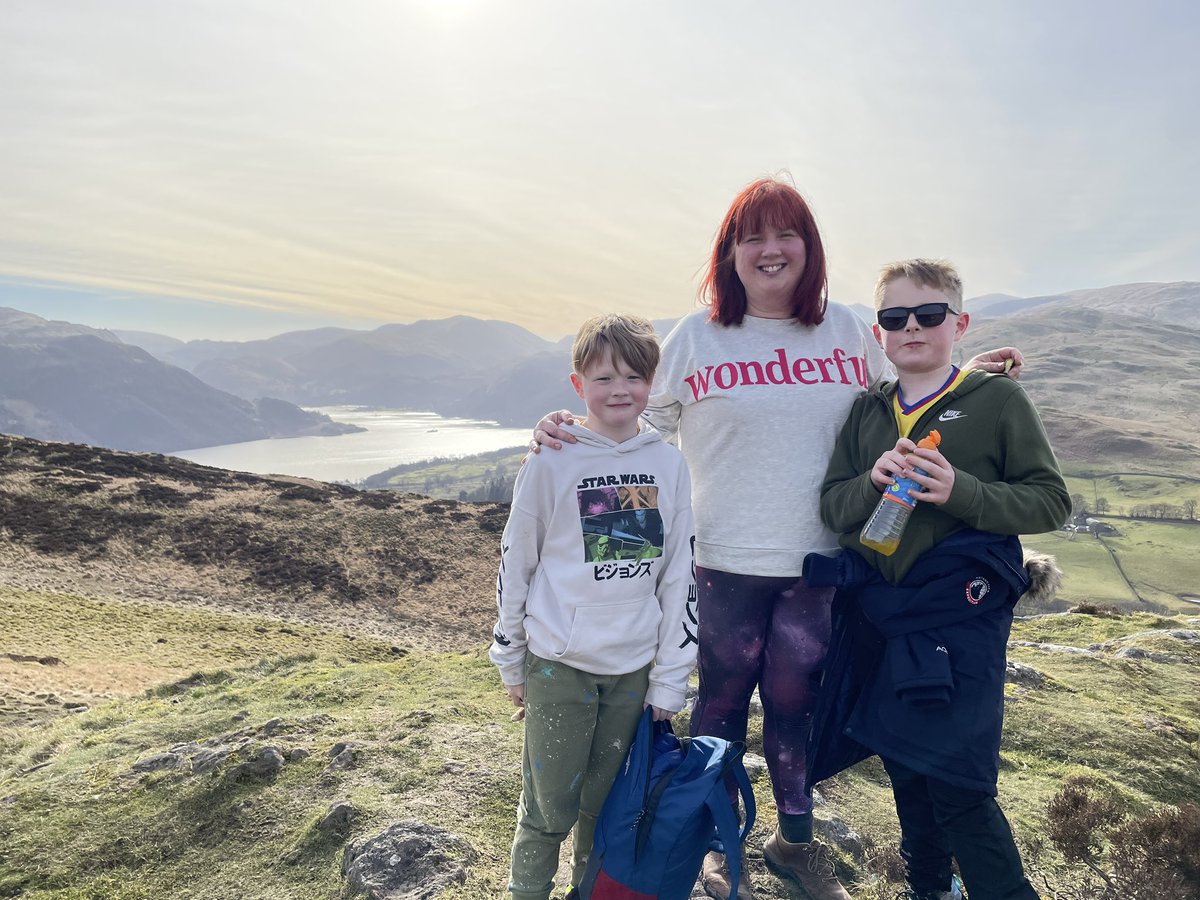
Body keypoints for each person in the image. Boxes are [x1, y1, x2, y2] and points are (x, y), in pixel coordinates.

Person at [532, 178, 1021, 900]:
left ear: (808, 247)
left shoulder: (847, 330)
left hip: (821, 567)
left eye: (785, 233)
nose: (769, 249)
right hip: (720, 564)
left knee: (797, 707)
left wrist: (971, 379)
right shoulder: (696, 337)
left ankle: (794, 843)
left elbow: (909, 395)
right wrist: (569, 433)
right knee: (719, 708)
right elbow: (636, 424)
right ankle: (710, 843)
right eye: (751, 235)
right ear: (729, 253)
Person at [812, 259, 1070, 900]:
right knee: (906, 767)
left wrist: (963, 492)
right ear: (879, 331)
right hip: (886, 616)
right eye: (894, 317)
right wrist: (871, 481)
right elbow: (833, 507)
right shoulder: (867, 411)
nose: (912, 327)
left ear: (960, 323)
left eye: (929, 314)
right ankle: (929, 889)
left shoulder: (999, 400)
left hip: (963, 617)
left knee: (961, 786)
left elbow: (1050, 502)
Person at [490, 313, 697, 900]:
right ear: (578, 384)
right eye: (603, 377)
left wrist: (670, 678)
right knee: (548, 809)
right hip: (558, 665)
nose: (619, 390)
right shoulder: (550, 459)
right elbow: (517, 560)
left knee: (606, 813)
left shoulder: (669, 464)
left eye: (634, 376)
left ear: (652, 383)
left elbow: (679, 574)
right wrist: (510, 656)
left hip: (632, 671)